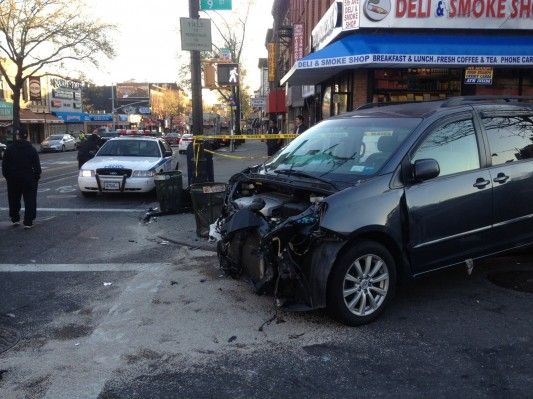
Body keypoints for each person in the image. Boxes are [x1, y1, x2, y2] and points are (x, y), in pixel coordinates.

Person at [1, 127, 41, 229]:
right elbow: (37, 167)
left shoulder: (10, 149)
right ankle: (28, 221)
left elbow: (4, 165)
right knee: (30, 200)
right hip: (28, 178)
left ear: (17, 136)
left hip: (13, 178)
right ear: (26, 136)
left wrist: (8, 176)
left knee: (13, 199)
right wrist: (35, 177)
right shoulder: (31, 149)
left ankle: (15, 218)